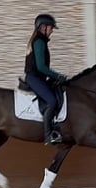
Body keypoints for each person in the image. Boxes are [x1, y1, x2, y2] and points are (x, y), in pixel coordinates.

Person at [24, 14, 67, 145]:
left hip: (39, 77)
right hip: (34, 78)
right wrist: (58, 76)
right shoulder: (39, 42)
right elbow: (41, 67)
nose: (52, 30)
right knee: (52, 100)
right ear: (43, 27)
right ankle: (48, 135)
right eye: (51, 28)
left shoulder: (40, 41)